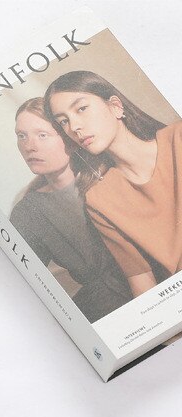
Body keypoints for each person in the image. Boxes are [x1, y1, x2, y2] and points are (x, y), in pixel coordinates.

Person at [45, 70, 182, 297]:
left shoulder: (177, 138)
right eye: (63, 122)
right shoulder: (99, 199)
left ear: (116, 106)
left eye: (81, 108)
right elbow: (141, 281)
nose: (74, 127)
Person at [9, 97, 131, 321]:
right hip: (103, 309)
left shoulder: (111, 174)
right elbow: (19, 284)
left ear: (70, 139)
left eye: (42, 135)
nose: (29, 146)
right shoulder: (27, 212)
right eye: (21, 136)